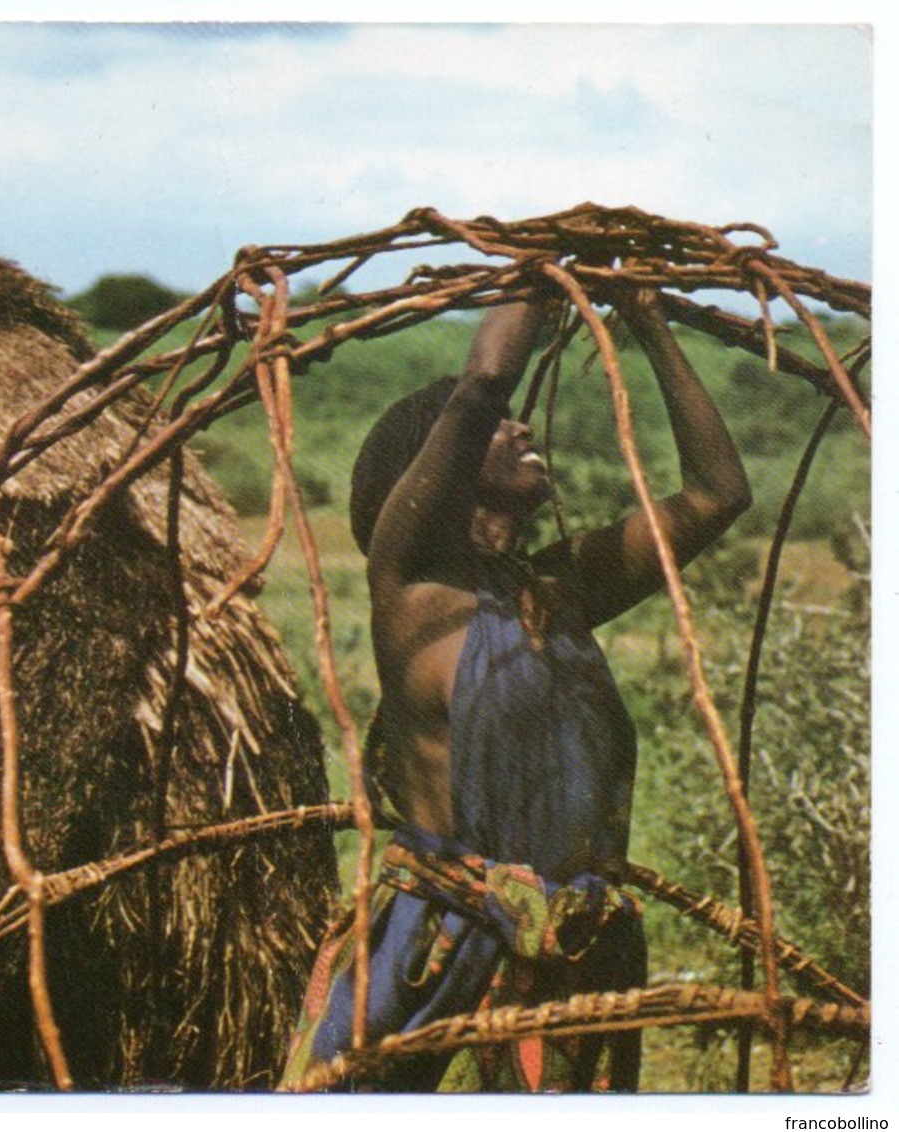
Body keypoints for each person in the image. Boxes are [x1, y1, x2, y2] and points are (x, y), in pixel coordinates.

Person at [280, 287, 751, 1092]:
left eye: (513, 423)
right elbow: (481, 386)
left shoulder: (557, 590)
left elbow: (717, 494)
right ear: (442, 462)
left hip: (569, 948)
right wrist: (537, 278)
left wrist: (648, 323)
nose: (521, 427)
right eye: (497, 430)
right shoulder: (413, 589)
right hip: (442, 950)